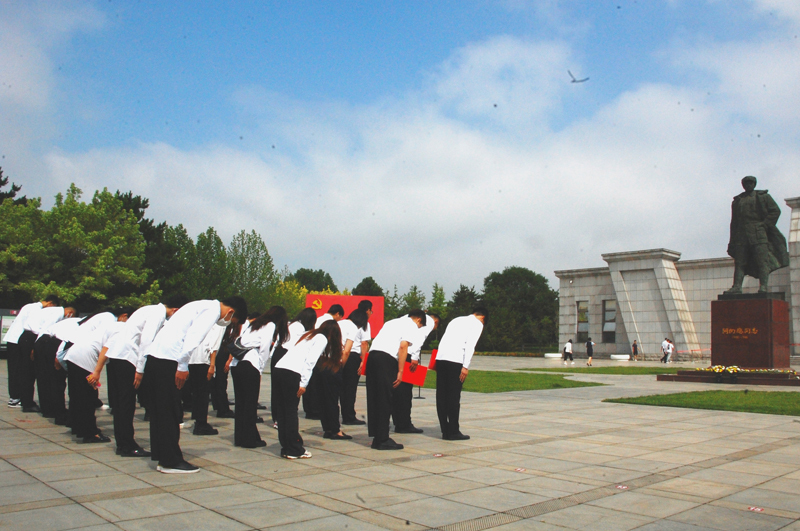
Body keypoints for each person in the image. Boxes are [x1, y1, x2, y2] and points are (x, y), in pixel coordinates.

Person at [143, 296, 247, 474]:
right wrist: (183, 366)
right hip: (169, 359)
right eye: (232, 320)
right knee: (170, 410)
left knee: (160, 411)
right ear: (230, 312)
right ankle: (170, 461)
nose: (228, 323)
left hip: (156, 357)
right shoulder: (212, 311)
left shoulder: (199, 304)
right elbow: (193, 338)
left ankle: (160, 453)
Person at [91, 295, 188, 456]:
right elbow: (146, 342)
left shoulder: (149, 309)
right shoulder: (157, 314)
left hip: (118, 356)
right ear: (176, 310)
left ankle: (123, 443)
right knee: (126, 404)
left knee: (121, 405)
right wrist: (140, 370)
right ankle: (127, 445)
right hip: (128, 358)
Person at [273, 320, 343, 459]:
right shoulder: (322, 338)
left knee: (282, 411)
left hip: (279, 368)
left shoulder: (308, 335)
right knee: (291, 411)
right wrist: (303, 383)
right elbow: (310, 361)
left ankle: (286, 446)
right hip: (292, 372)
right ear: (332, 334)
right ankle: (293, 449)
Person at [364, 309, 426, 450]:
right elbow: (403, 347)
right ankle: (382, 439)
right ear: (418, 320)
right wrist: (400, 371)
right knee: (385, 399)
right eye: (420, 326)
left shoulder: (391, 322)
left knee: (374, 398)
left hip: (372, 357)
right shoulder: (411, 325)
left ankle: (377, 436)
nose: (418, 328)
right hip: (386, 360)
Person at [68, 307, 132, 443]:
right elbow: (106, 349)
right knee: (88, 397)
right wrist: (96, 372)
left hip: (74, 354)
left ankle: (79, 428)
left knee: (78, 396)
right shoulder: (122, 327)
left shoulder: (113, 325)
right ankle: (90, 433)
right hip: (85, 358)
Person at [231, 306, 287, 448]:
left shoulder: (254, 324)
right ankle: (249, 440)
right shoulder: (270, 325)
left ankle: (240, 437)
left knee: (241, 403)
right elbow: (265, 347)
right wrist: (261, 367)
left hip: (237, 363)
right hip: (251, 363)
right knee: (250, 404)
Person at [725, 176, 790, 294]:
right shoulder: (737, 201)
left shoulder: (763, 197)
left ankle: (763, 286)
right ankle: (737, 286)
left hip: (759, 234)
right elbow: (734, 222)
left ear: (754, 184)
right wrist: (732, 241)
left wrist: (765, 224)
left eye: (751, 183)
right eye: (746, 183)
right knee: (740, 262)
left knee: (762, 261)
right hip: (741, 235)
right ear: (743, 185)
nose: (748, 185)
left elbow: (775, 211)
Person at [435, 307, 486, 441]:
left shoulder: (456, 320)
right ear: (482, 317)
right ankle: (453, 431)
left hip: (441, 359)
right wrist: (465, 366)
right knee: (453, 396)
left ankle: (445, 430)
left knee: (441, 395)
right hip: (455, 360)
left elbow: (444, 340)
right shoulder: (477, 324)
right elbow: (470, 345)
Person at [317, 309, 368, 440]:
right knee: (340, 395)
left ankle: (327, 428)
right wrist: (341, 366)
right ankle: (337, 429)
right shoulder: (353, 327)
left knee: (325, 398)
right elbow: (346, 351)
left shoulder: (338, 323)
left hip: (324, 361)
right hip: (338, 361)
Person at [4, 295, 60, 409]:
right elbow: (33, 326)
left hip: (13, 338)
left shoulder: (30, 306)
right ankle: (15, 397)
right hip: (17, 339)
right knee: (18, 370)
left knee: (16, 369)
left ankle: (16, 396)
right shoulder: (35, 309)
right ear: (50, 303)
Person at [19, 304, 77, 412]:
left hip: (31, 337)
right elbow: (45, 329)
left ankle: (34, 403)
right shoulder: (58, 313)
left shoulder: (52, 311)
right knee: (33, 373)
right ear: (70, 313)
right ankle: (29, 403)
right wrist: (35, 347)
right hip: (34, 338)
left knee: (36, 374)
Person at [392, 312, 439, 434]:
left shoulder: (406, 317)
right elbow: (419, 339)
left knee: (397, 390)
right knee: (405, 392)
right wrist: (415, 357)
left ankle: (398, 422)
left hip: (397, 354)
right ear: (435, 322)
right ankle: (404, 424)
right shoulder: (429, 321)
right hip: (408, 355)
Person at [272, 308, 316, 428]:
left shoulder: (291, 324)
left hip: (278, 353)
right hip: (285, 354)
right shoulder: (300, 328)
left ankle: (277, 418)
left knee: (277, 391)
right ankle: (280, 419)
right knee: (286, 393)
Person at [304, 305, 344, 420]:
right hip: (323, 358)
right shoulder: (330, 323)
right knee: (320, 388)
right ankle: (316, 411)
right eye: (340, 317)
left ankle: (310, 410)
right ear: (337, 314)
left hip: (313, 355)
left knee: (311, 385)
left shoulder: (319, 319)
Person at [187, 323, 227, 436]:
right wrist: (212, 365)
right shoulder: (219, 325)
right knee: (203, 394)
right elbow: (213, 346)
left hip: (192, 360)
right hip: (204, 361)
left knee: (196, 393)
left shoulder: (201, 322)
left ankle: (198, 420)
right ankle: (201, 424)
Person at [341, 301, 373, 425]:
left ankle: (344, 413)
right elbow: (364, 343)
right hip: (353, 356)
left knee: (342, 387)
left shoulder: (343, 322)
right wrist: (363, 361)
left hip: (341, 355)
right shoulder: (363, 324)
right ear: (368, 310)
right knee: (350, 388)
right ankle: (349, 416)